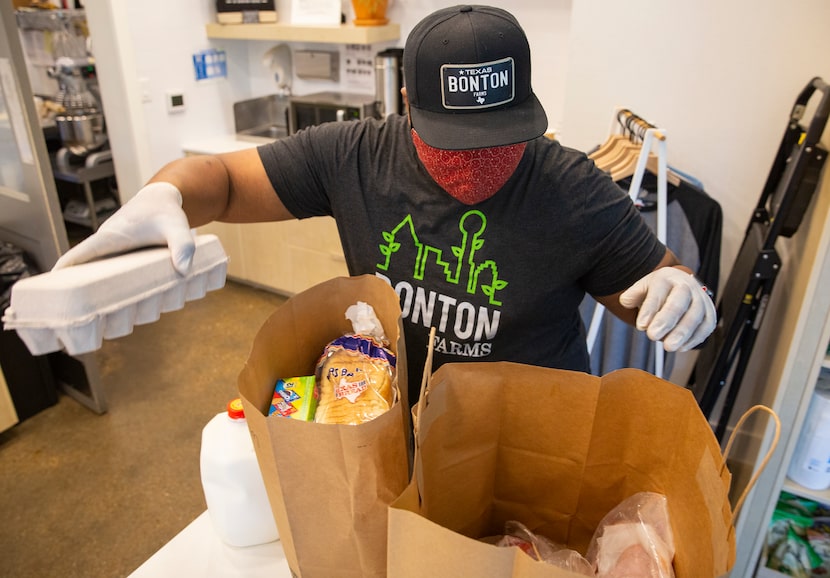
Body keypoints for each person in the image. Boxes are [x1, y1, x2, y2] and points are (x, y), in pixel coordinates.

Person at [54, 4, 716, 405]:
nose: (477, 165)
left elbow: (648, 287)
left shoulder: (571, 188)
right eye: (454, 143)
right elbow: (221, 182)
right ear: (407, 109)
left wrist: (679, 293)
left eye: (499, 140)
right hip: (400, 415)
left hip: (534, 428)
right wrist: (166, 191)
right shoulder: (355, 157)